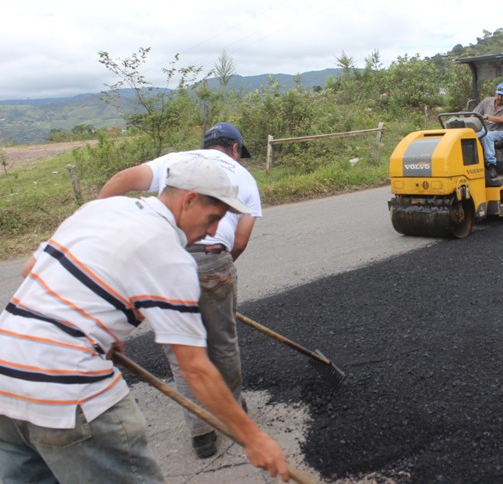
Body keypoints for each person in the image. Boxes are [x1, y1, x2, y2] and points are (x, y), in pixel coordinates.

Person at [0, 158, 289, 483]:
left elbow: (31, 270)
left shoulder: (100, 210)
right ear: (189, 198)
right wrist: (253, 438)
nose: (211, 232)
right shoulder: (171, 258)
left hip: (6, 377)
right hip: (68, 389)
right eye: (213, 218)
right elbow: (195, 367)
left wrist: (98, 330)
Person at [98, 122, 262, 458]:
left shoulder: (177, 161)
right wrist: (220, 275)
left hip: (162, 258)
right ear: (234, 149)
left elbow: (120, 181)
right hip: (213, 260)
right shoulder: (245, 178)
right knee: (223, 345)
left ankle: (201, 433)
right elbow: (240, 241)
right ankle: (236, 415)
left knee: (181, 352)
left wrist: (101, 218)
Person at [473, 82, 503, 178]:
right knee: (471, 136)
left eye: (502, 96)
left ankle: (491, 165)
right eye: (498, 94)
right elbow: (475, 114)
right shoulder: (487, 101)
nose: (500, 97)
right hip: (486, 129)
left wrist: (488, 117)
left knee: (487, 136)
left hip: (502, 131)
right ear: (495, 93)